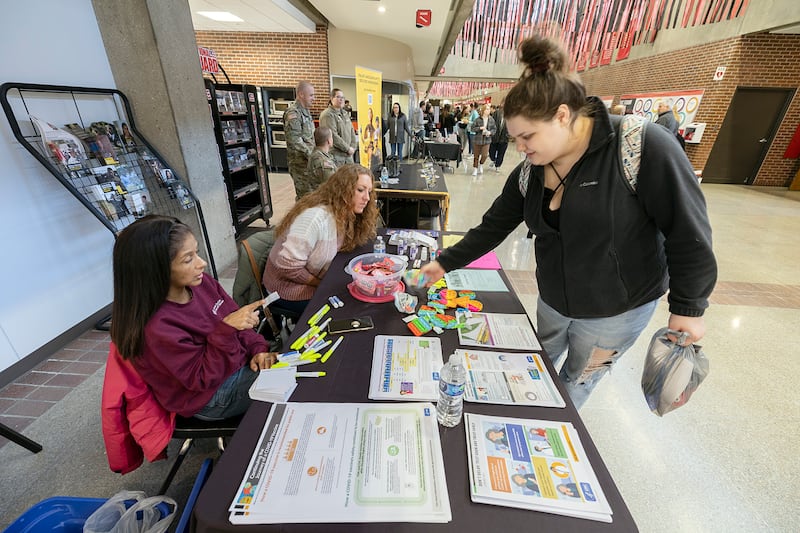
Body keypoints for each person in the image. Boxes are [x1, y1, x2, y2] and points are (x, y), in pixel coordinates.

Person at [420, 34, 717, 409]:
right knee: (537, 365)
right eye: (515, 139)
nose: (521, 149)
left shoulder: (641, 147)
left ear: (562, 115)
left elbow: (688, 231)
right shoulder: (531, 171)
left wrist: (688, 308)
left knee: (576, 382)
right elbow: (494, 225)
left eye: (527, 136)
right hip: (554, 300)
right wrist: (444, 262)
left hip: (615, 310)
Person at [110, 215, 277, 421]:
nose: (202, 263)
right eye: (188, 259)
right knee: (291, 380)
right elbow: (202, 380)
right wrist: (225, 331)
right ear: (156, 270)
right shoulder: (156, 327)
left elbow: (238, 320)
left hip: (235, 363)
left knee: (293, 364)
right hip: (209, 396)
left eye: (196, 253)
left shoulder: (201, 283)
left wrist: (258, 350)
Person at [263, 164, 379, 314]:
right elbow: (287, 267)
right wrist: (322, 283)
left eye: (369, 192)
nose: (367, 198)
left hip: (313, 280)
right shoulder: (314, 218)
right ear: (342, 190)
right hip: (286, 289)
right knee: (349, 308)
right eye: (360, 190)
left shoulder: (344, 213)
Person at [284, 80, 316, 199]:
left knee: (312, 196)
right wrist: (313, 155)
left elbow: (309, 137)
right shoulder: (293, 113)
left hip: (308, 162)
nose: (314, 98)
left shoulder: (305, 111)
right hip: (300, 164)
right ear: (301, 94)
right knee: (305, 198)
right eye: (311, 95)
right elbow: (295, 140)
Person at [319, 88, 357, 166]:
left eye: (343, 97)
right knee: (338, 178)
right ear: (332, 98)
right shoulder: (327, 115)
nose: (341, 99)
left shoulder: (345, 113)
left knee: (351, 177)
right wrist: (347, 148)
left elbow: (351, 131)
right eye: (338, 97)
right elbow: (332, 135)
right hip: (336, 157)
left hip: (348, 156)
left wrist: (353, 147)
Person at [306, 126, 337, 191]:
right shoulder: (322, 161)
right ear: (329, 141)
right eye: (331, 137)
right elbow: (333, 184)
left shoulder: (318, 154)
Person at [470, 104, 497, 176]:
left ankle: (481, 164)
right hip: (477, 140)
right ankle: (475, 168)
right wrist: (479, 128)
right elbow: (472, 128)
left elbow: (494, 129)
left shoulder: (491, 119)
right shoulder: (478, 119)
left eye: (489, 109)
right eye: (487, 109)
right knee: (476, 155)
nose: (489, 110)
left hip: (487, 140)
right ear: (483, 110)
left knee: (485, 155)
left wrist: (490, 132)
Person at [488, 104, 509, 172]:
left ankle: (498, 165)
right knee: (491, 152)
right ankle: (493, 159)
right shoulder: (497, 113)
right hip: (495, 137)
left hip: (504, 138)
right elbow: (491, 123)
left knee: (501, 153)